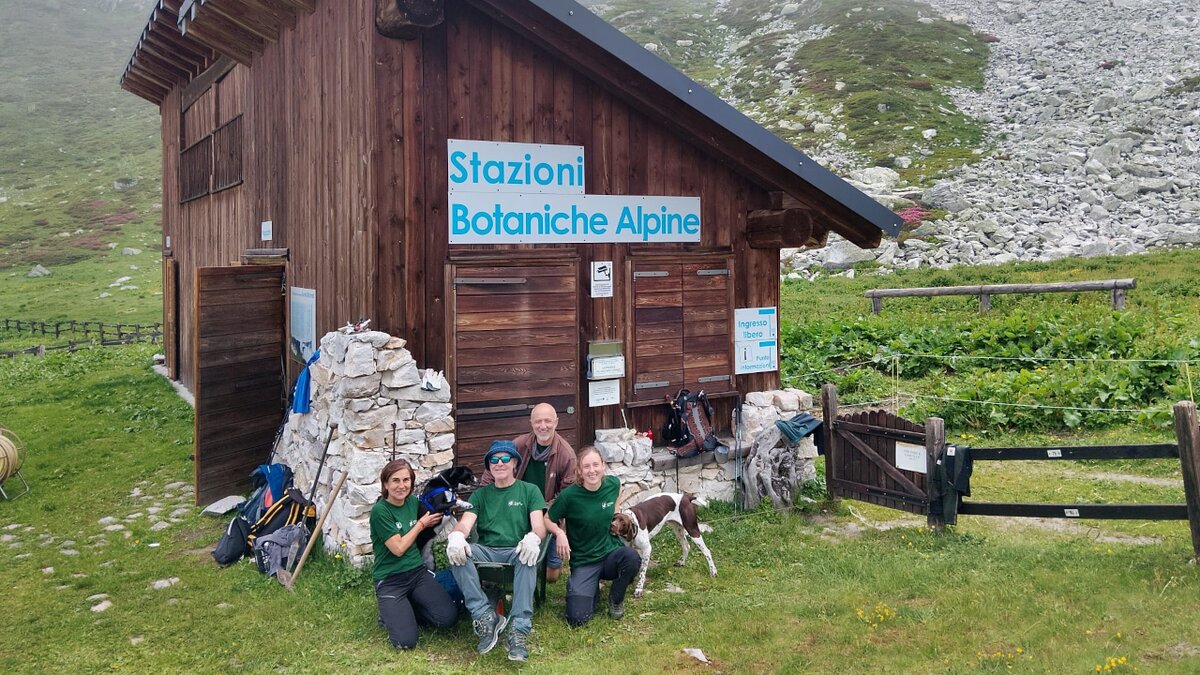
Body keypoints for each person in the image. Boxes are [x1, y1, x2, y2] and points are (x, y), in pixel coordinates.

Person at [447, 440, 546, 661]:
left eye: (504, 459)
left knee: (528, 556)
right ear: (489, 466)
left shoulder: (529, 490)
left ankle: (518, 629)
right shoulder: (481, 495)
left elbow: (539, 525)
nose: (499, 463)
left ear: (514, 463)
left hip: (516, 548)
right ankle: (484, 615)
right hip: (487, 550)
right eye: (494, 459)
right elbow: (466, 523)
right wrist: (456, 535)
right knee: (458, 553)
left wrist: (532, 537)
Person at [545, 445, 640, 626]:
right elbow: (548, 519)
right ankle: (586, 588)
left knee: (632, 558)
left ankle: (616, 598)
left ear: (603, 465)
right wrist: (559, 533)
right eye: (586, 466)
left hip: (610, 553)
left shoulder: (611, 484)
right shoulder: (569, 496)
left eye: (596, 465)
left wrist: (616, 510)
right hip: (584, 560)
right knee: (577, 619)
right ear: (579, 470)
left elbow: (618, 489)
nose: (592, 470)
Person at [481, 402, 576, 582]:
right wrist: (489, 498)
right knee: (516, 555)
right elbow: (492, 469)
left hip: (547, 512)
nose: (543, 426)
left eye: (548, 421)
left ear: (556, 422)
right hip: (516, 506)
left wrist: (541, 513)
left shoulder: (567, 455)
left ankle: (539, 562)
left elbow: (566, 497)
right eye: (538, 421)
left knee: (551, 577)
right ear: (531, 423)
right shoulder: (520, 444)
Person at [369, 459, 458, 649]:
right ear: (385, 484)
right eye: (395, 480)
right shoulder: (380, 511)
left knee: (447, 618)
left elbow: (436, 509)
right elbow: (398, 549)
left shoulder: (412, 502)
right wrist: (420, 525)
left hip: (417, 574)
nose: (402, 486)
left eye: (406, 480)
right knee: (406, 642)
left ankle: (404, 610)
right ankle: (391, 614)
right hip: (390, 580)